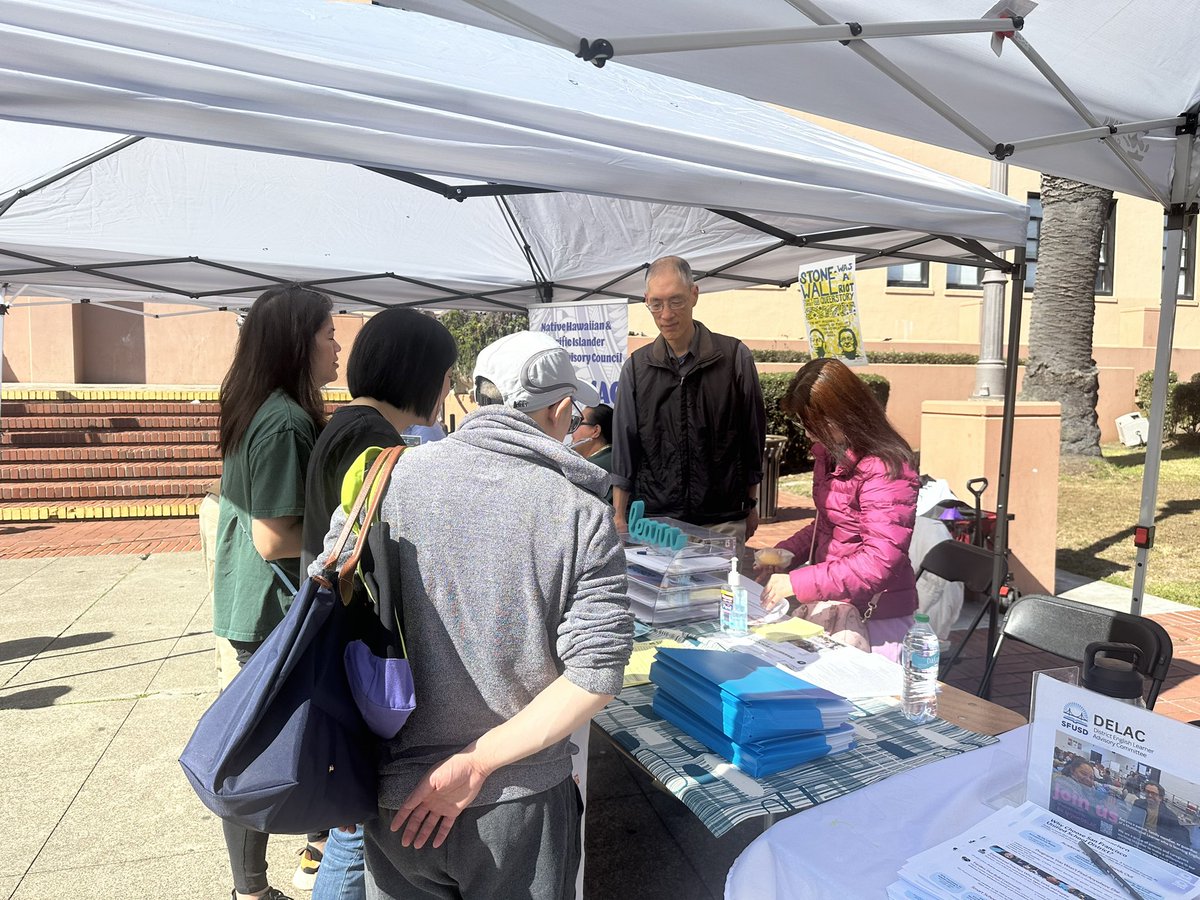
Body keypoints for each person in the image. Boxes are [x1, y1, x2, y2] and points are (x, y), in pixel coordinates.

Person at [314, 330, 633, 900]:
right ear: (560, 409)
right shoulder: (579, 512)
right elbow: (596, 675)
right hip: (520, 802)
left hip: (394, 798)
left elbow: (323, 610)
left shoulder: (384, 480)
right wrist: (478, 762)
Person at [298, 308, 458, 900]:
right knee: (358, 829)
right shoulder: (372, 441)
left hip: (344, 649)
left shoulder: (350, 425)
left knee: (357, 825)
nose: (447, 389)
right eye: (446, 374)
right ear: (419, 372)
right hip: (362, 658)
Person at [212, 284, 340, 900]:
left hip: (255, 604)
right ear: (298, 342)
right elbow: (272, 536)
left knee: (274, 741)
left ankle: (304, 855)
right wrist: (352, 530)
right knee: (259, 751)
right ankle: (253, 889)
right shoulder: (285, 421)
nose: (337, 347)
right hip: (275, 611)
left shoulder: (256, 406)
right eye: (328, 334)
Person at [755, 358, 919, 660]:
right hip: (834, 604)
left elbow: (879, 562)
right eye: (803, 423)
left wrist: (798, 582)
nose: (808, 434)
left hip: (876, 619)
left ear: (842, 415)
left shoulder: (885, 467)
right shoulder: (830, 455)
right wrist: (787, 553)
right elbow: (828, 524)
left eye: (813, 424)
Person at [612, 255, 766, 557]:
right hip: (657, 523)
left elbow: (753, 437)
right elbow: (625, 445)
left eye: (676, 301)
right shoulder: (637, 367)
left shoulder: (734, 357)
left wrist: (750, 504)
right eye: (656, 304)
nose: (666, 314)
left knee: (721, 589)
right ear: (646, 301)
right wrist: (619, 513)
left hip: (722, 520)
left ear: (694, 294)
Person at [570, 403, 614, 502]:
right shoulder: (615, 459)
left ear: (595, 431)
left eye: (578, 423)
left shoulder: (589, 469)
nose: (572, 433)